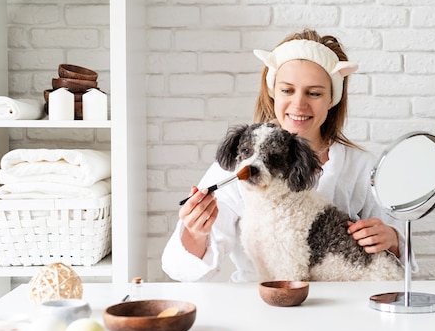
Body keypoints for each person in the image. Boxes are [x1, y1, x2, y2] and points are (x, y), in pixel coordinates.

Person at [162, 28, 409, 282]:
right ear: (272, 91)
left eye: (314, 93)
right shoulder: (238, 165)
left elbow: (398, 260)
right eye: (287, 90)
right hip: (261, 301)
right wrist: (195, 232)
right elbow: (181, 269)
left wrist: (392, 239)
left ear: (332, 99)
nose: (299, 104)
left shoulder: (362, 167)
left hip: (346, 303)